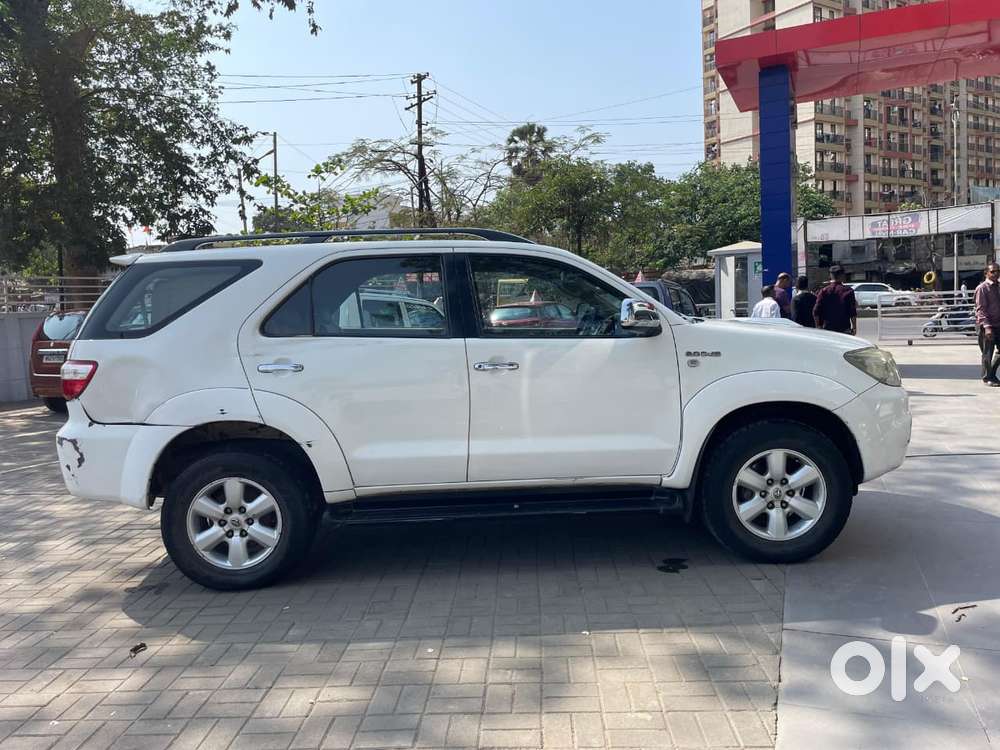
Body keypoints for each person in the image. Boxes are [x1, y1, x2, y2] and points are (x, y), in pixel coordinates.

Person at [974, 263, 1000, 386]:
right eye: (993, 271)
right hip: (987, 326)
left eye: (998, 271)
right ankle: (987, 378)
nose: (996, 274)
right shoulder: (982, 288)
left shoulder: (998, 286)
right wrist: (987, 327)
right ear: (986, 273)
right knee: (987, 353)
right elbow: (981, 310)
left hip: (998, 324)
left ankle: (992, 374)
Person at [813, 266, 857, 334]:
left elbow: (816, 311)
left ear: (831, 276)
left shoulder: (823, 291)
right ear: (842, 276)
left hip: (828, 329)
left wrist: (818, 326)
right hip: (844, 329)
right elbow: (852, 311)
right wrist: (854, 327)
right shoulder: (848, 291)